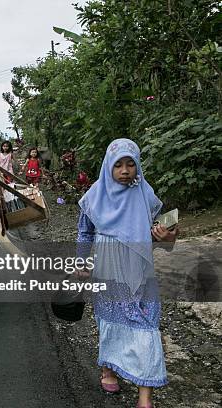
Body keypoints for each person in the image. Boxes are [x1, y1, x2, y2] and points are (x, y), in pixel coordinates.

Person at [75, 138, 178, 408]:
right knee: (109, 322)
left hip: (140, 270)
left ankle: (145, 399)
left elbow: (165, 238)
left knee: (146, 326)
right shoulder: (95, 195)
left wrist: (168, 236)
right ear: (107, 166)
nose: (124, 170)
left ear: (138, 166)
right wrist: (80, 262)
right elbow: (85, 232)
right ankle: (109, 368)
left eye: (130, 164)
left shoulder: (146, 193)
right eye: (118, 164)